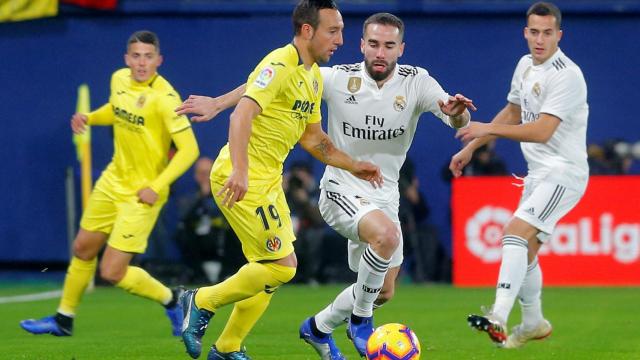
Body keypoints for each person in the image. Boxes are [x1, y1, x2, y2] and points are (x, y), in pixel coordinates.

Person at [177, 12, 475, 359]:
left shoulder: (415, 82)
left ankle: (311, 329)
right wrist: (218, 103)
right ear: (363, 45)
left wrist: (457, 113)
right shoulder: (332, 77)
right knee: (285, 264)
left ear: (401, 49)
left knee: (378, 290)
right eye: (373, 43)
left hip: (380, 190)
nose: (380, 52)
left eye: (389, 46)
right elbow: (261, 87)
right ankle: (360, 321)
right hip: (338, 189)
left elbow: (455, 116)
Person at [176, 2, 383, 359]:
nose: (340, 40)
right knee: (282, 267)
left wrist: (353, 165)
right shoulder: (281, 62)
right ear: (307, 31)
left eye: (341, 30)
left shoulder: (311, 76)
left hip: (267, 180)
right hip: (242, 176)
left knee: (269, 273)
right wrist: (240, 169)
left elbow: (315, 139)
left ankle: (227, 347)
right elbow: (242, 116)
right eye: (332, 31)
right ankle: (200, 300)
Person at [20, 30, 200, 337]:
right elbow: (116, 111)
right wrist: (90, 117)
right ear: (126, 59)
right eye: (136, 56)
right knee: (82, 248)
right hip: (112, 180)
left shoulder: (166, 99)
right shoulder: (119, 79)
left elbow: (190, 151)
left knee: (112, 272)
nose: (142, 63)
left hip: (143, 194)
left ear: (159, 60)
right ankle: (64, 319)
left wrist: (156, 186)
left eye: (148, 57)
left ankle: (173, 300)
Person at [450, 2, 588, 349]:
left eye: (547, 33)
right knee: (525, 250)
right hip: (538, 174)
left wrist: (484, 126)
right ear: (525, 32)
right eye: (534, 32)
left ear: (559, 34)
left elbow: (542, 131)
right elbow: (513, 111)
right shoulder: (525, 65)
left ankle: (498, 314)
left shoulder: (567, 75)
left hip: (564, 173)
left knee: (513, 233)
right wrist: (473, 147)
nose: (539, 39)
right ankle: (533, 322)